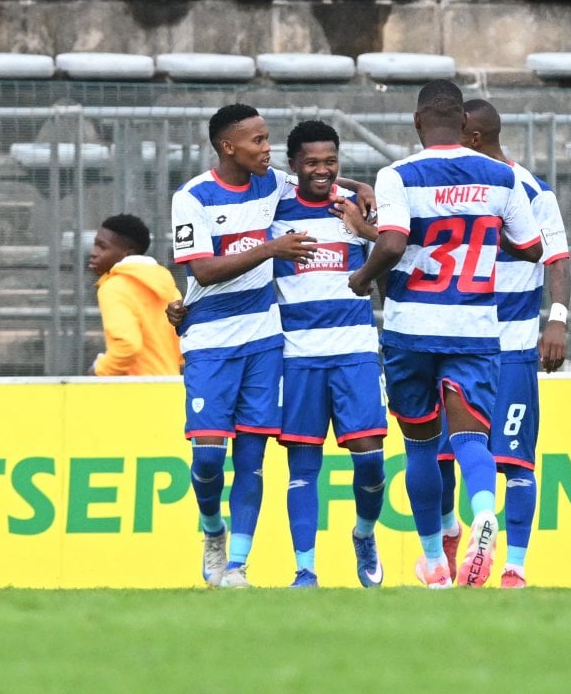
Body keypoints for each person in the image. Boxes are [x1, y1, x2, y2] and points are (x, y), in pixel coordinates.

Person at [348, 79, 544, 588]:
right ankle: (484, 513)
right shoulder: (502, 176)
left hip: (412, 327)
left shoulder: (398, 175)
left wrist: (362, 279)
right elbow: (533, 249)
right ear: (464, 124)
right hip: (475, 327)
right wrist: (484, 227)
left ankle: (435, 559)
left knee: (419, 447)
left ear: (417, 123)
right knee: (472, 438)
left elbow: (391, 244)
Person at [169, 103, 373, 588]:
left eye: (267, 140)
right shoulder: (192, 197)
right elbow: (201, 271)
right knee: (208, 459)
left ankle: (237, 566)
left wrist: (365, 188)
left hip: (265, 338)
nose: (267, 149)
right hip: (210, 338)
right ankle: (213, 530)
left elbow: (323, 183)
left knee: (253, 459)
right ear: (228, 146)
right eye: (258, 141)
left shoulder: (274, 184)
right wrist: (270, 249)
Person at [437, 98, 571, 589]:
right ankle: (453, 541)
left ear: (472, 136)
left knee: (515, 458)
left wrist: (556, 319)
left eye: (455, 130)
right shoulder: (450, 187)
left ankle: (514, 566)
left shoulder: (532, 190)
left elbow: (556, 257)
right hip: (453, 342)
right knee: (447, 457)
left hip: (512, 346)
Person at [272, 120, 387, 588]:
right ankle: (305, 569)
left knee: (371, 460)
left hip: (355, 351)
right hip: (297, 355)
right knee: (303, 465)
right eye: (312, 163)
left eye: (331, 162)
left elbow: (398, 253)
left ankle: (363, 533)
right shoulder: (273, 206)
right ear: (293, 164)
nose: (322, 171)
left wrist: (364, 220)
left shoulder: (356, 208)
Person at [88, 213, 182, 376]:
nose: (93, 253)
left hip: (134, 391)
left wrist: (98, 371)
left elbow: (127, 346)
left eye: (102, 246)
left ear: (127, 253)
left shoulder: (114, 287)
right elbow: (182, 348)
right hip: (170, 387)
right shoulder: (167, 286)